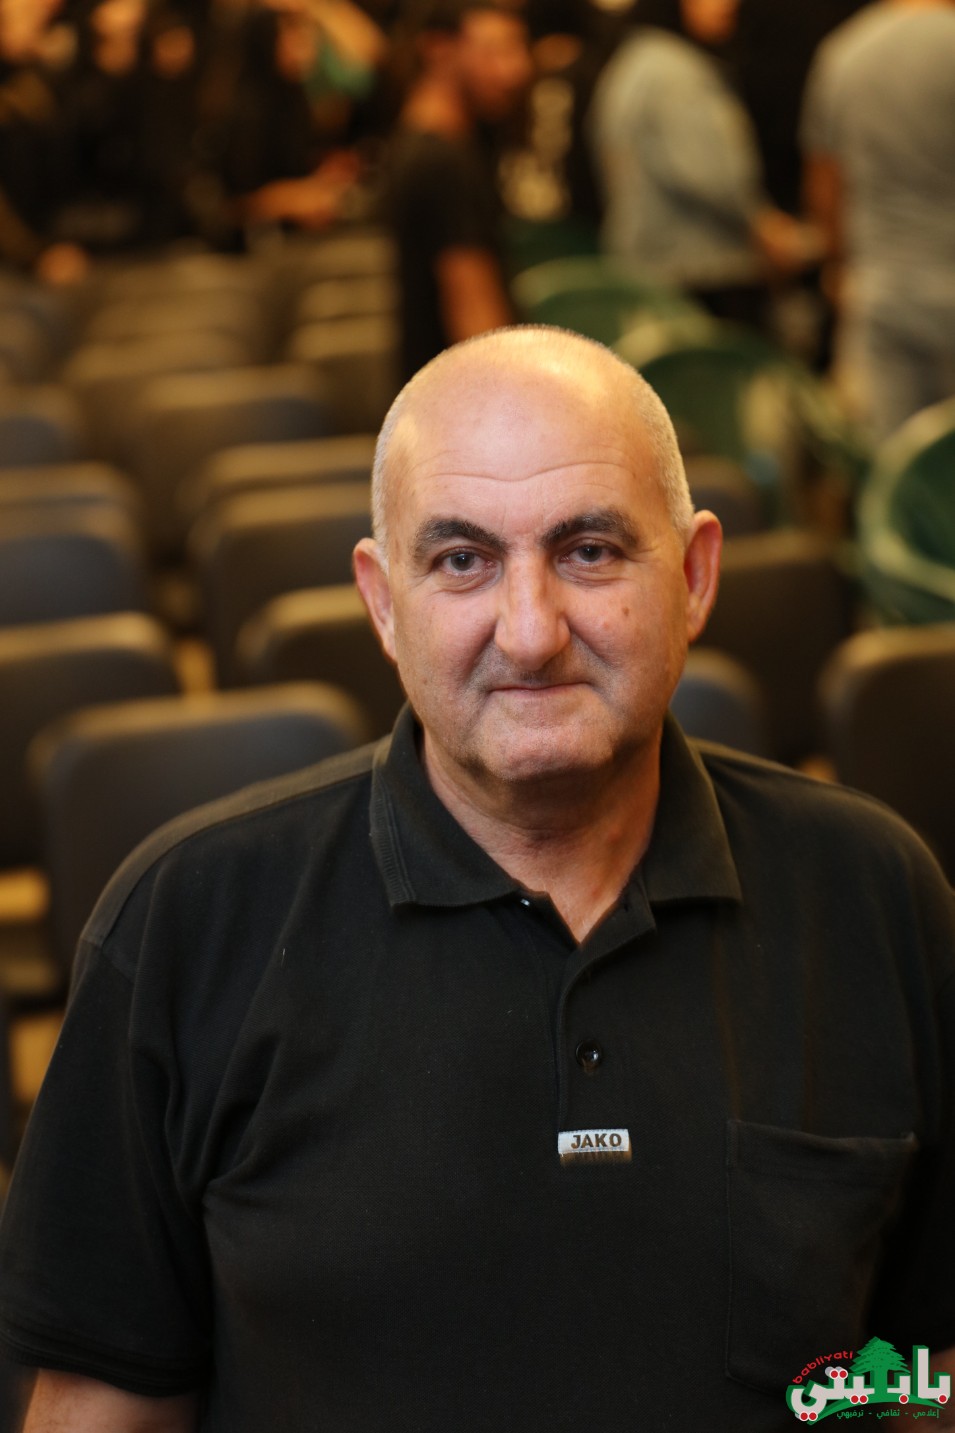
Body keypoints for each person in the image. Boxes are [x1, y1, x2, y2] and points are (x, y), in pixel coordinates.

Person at [1, 325, 954, 1432]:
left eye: (589, 550)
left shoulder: (874, 894)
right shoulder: (186, 923)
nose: (531, 630)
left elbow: (926, 1361)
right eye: (462, 560)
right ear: (382, 600)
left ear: (694, 576)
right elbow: (102, 1405)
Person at [588, 0, 812, 326]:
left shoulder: (637, 59)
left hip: (647, 269)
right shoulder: (675, 72)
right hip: (700, 275)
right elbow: (709, 175)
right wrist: (762, 222)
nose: (727, 5)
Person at [800, 0, 955, 439]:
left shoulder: (845, 52)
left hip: (883, 296)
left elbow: (826, 187)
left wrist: (838, 267)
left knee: (896, 461)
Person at [381, 0, 532, 381]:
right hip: (459, 398)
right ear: (438, 49)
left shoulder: (420, 138)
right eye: (494, 50)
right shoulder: (444, 163)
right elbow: (477, 326)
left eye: (518, 48)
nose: (516, 70)